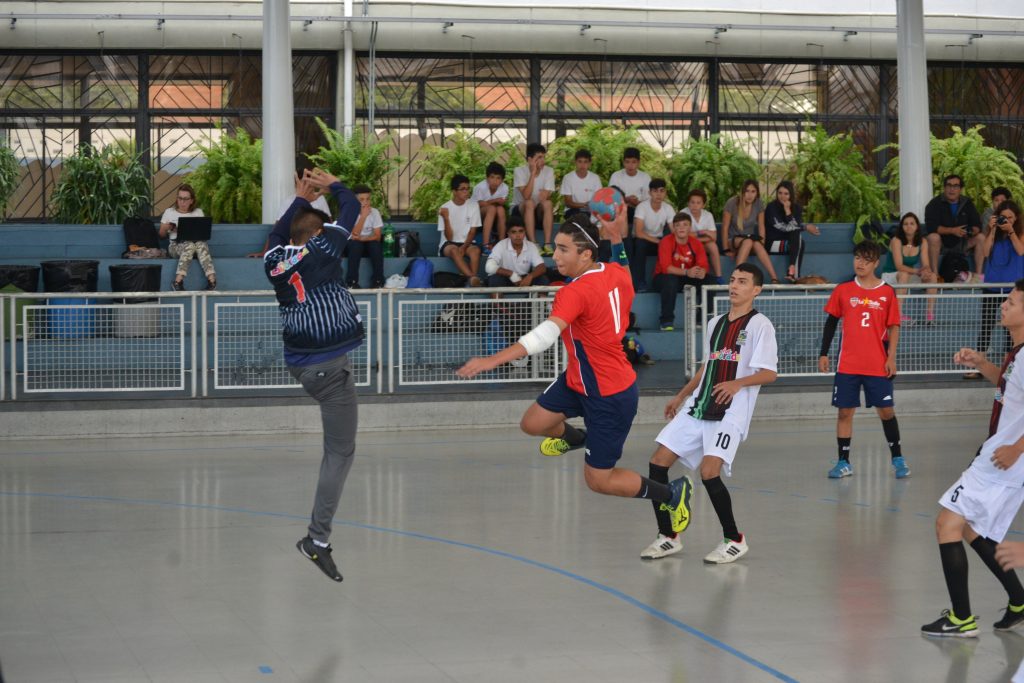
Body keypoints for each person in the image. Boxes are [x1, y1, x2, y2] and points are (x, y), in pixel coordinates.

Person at [456, 210, 693, 534]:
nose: (556, 256)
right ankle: (577, 438)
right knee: (533, 424)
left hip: (609, 394)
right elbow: (623, 264)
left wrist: (491, 360)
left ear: (585, 254)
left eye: (564, 249)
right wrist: (616, 237)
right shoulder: (614, 273)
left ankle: (671, 494)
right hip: (578, 380)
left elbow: (546, 335)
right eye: (556, 247)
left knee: (599, 480)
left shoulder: (575, 291)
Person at [264, 168, 364, 583]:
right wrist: (334, 184)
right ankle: (316, 540)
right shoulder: (324, 249)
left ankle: (317, 538)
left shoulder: (274, 262)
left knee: (338, 451)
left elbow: (276, 234)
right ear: (319, 232)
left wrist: (300, 198)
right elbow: (353, 206)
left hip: (302, 364)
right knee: (340, 454)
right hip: (329, 369)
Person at [640, 263, 778, 562]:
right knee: (657, 463)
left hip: (730, 413)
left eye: (742, 282)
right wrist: (681, 394)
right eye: (732, 280)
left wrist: (737, 383)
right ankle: (668, 536)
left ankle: (734, 539)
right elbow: (708, 366)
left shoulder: (760, 326)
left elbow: (769, 373)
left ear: (756, 290)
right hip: (698, 406)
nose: (734, 286)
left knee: (709, 472)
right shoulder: (716, 323)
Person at [921, 279, 1024, 638]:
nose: (1004, 306)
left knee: (945, 525)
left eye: (1011, 302)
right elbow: (1009, 387)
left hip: (1002, 461)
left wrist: (1016, 448)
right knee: (972, 530)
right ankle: (1018, 599)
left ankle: (961, 618)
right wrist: (982, 362)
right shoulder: (1017, 353)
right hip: (1001, 459)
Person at [818, 241, 909, 479]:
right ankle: (843, 462)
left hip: (877, 364)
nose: (860, 263)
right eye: (857, 258)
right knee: (844, 413)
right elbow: (831, 323)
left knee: (886, 411)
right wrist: (823, 353)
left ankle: (898, 458)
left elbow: (894, 326)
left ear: (876, 263)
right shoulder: (844, 290)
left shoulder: (887, 292)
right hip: (848, 364)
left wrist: (891, 358)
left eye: (866, 260)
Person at [971, 201, 1024, 379]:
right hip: (992, 285)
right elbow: (985, 253)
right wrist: (992, 230)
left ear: (1016, 217)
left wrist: (1011, 231)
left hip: (1012, 288)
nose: (1006, 220)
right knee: (986, 323)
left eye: (1010, 217)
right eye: (1003, 217)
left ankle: (1008, 363)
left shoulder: (1020, 232)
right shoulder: (994, 232)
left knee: (1010, 325)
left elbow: (1021, 250)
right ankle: (979, 361)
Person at [249, 171, 332, 258]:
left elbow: (330, 225)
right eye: (304, 183)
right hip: (298, 247)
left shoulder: (320, 199)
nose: (307, 187)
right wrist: (265, 252)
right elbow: (277, 229)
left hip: (317, 246)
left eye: (310, 183)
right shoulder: (288, 201)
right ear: (297, 184)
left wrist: (335, 250)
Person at [652, 212, 709, 332]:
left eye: (685, 224)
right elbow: (666, 267)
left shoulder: (696, 243)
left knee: (710, 280)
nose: (681, 228)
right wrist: (687, 272)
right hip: (663, 278)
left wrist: (701, 271)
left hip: (686, 276)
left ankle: (701, 319)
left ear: (690, 227)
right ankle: (666, 321)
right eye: (678, 225)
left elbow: (703, 264)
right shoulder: (666, 241)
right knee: (670, 280)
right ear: (673, 228)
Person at [881, 212, 937, 325]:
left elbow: (925, 264)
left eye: (912, 223)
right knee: (904, 274)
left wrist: (926, 271)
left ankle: (929, 316)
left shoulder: (923, 242)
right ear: (901, 227)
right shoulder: (896, 240)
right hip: (891, 275)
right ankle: (898, 314)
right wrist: (918, 271)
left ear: (917, 226)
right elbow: (899, 266)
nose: (909, 226)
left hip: (907, 276)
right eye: (905, 224)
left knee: (933, 277)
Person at [924, 174, 984, 279]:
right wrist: (952, 230)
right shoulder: (934, 203)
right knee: (933, 237)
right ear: (944, 187)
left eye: (956, 186)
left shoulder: (967, 203)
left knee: (981, 237)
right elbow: (931, 227)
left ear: (960, 189)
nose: (952, 189)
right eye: (949, 185)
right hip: (942, 244)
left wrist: (971, 231)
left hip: (962, 242)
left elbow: (977, 225)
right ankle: (935, 275)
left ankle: (978, 276)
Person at [721, 180, 780, 284]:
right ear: (742, 192)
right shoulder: (732, 203)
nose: (750, 195)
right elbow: (725, 227)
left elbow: (762, 226)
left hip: (750, 239)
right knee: (748, 241)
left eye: (753, 191)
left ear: (757, 193)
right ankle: (736, 277)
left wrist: (762, 243)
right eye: (747, 191)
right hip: (733, 240)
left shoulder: (758, 203)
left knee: (756, 243)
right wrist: (726, 249)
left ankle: (774, 278)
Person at [159, 183, 216, 291]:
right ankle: (178, 282)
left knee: (200, 243)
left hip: (196, 246)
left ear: (192, 200)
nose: (182, 202)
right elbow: (161, 235)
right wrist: (166, 227)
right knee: (190, 245)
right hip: (175, 246)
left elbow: (202, 234)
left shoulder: (198, 212)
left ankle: (212, 281)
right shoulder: (169, 212)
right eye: (180, 198)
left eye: (185, 199)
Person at [764, 180, 821, 282]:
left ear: (791, 195)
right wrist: (806, 227)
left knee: (798, 238)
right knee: (799, 240)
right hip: (772, 244)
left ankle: (792, 270)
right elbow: (782, 227)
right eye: (780, 193)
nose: (782, 196)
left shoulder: (796, 208)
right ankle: (796, 276)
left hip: (789, 243)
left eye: (786, 194)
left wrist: (788, 211)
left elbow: (794, 227)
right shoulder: (771, 207)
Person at [631, 178, 676, 291]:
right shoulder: (642, 207)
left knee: (673, 246)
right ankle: (639, 283)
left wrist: (667, 243)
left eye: (662, 191)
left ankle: (667, 282)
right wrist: (660, 242)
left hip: (659, 240)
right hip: (643, 239)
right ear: (650, 193)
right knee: (640, 245)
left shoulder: (668, 208)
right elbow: (639, 233)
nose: (659, 194)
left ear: (665, 192)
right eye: (655, 191)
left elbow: (674, 231)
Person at [438, 174, 484, 286]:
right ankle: (473, 277)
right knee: (454, 250)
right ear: (454, 191)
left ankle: (471, 281)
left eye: (468, 188)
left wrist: (464, 246)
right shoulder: (445, 208)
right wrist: (446, 218)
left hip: (467, 243)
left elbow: (473, 231)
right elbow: (449, 237)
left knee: (475, 251)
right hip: (448, 244)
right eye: (462, 189)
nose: (466, 192)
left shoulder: (473, 206)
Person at [512, 143, 556, 256]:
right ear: (530, 159)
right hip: (520, 210)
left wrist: (545, 194)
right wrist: (532, 173)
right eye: (539, 158)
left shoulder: (549, 171)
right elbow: (526, 196)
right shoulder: (519, 171)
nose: (543, 161)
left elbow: (544, 198)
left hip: (538, 211)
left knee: (548, 203)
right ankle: (533, 243)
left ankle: (547, 244)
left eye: (543, 157)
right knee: (529, 202)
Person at [484, 217, 549, 287]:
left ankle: (532, 298)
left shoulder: (531, 246)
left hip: (523, 278)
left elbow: (542, 267)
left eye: (521, 231)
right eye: (513, 232)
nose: (518, 235)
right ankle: (497, 298)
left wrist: (530, 276)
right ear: (508, 233)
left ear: (525, 232)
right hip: (505, 278)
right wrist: (511, 274)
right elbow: (489, 266)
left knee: (543, 279)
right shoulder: (501, 245)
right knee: (495, 280)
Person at [344, 184, 385, 289]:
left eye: (368, 199)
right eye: (362, 199)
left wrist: (363, 238)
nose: (365, 202)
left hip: (367, 242)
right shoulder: (349, 212)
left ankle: (378, 281)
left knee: (375, 246)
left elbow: (377, 236)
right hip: (352, 244)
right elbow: (354, 235)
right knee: (356, 245)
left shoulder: (375, 212)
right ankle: (352, 282)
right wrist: (363, 216)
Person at [683, 189, 722, 284]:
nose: (695, 205)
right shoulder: (683, 214)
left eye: (698, 203)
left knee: (713, 245)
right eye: (692, 202)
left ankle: (719, 277)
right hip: (687, 245)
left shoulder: (708, 215)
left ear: (703, 205)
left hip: (702, 244)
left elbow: (714, 237)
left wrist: (695, 235)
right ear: (688, 203)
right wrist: (703, 232)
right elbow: (684, 236)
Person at [472, 161, 509, 251]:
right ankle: (486, 244)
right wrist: (496, 200)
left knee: (500, 209)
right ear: (487, 178)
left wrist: (501, 203)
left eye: (498, 178)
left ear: (502, 180)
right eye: (492, 177)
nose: (495, 181)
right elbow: (479, 204)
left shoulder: (504, 187)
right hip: (475, 216)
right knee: (492, 208)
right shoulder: (480, 187)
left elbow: (501, 203)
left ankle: (502, 244)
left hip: (493, 217)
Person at [559, 148, 602, 223]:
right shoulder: (568, 178)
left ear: (589, 163)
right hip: (573, 210)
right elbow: (568, 202)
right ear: (575, 162)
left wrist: (591, 206)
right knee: (581, 217)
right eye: (580, 161)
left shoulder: (595, 178)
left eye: (585, 162)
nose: (582, 165)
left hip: (591, 210)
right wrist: (584, 205)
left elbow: (599, 199)